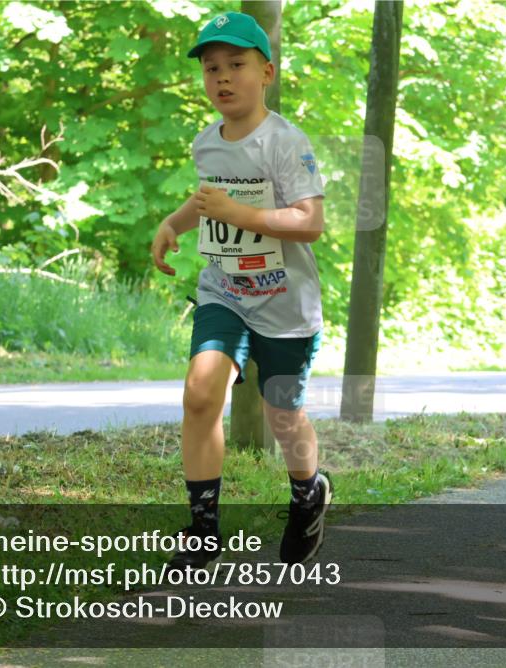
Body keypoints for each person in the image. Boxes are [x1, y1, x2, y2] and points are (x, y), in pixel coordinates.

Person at [150, 12, 332, 570]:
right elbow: (209, 200)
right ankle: (203, 529)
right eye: (211, 69)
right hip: (224, 292)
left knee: (284, 415)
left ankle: (309, 493)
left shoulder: (284, 142)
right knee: (201, 391)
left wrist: (241, 214)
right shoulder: (208, 142)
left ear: (267, 72)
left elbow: (310, 221)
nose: (222, 78)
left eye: (236, 65)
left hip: (284, 305)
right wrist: (173, 224)